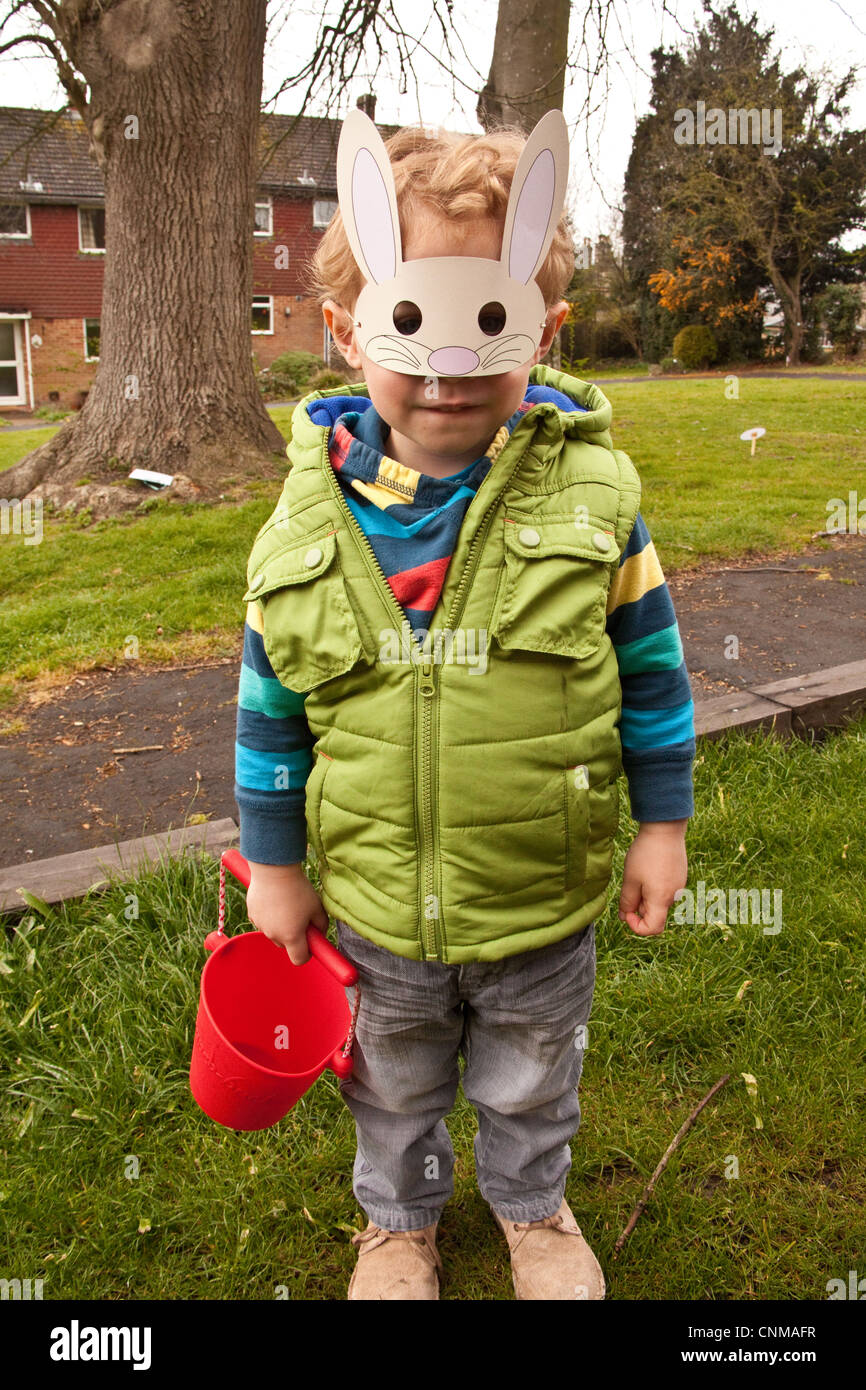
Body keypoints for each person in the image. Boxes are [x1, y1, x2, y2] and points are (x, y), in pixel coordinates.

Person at [234, 117, 694, 1301]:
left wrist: (661, 824)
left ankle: (532, 1206)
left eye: (487, 326)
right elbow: (270, 710)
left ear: (541, 331)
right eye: (408, 326)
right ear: (345, 333)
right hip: (378, 898)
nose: (446, 369)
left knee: (532, 1071)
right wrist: (275, 864)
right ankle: (396, 1223)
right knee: (390, 1077)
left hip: (538, 891)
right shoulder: (298, 532)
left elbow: (650, 673)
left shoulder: (595, 498)